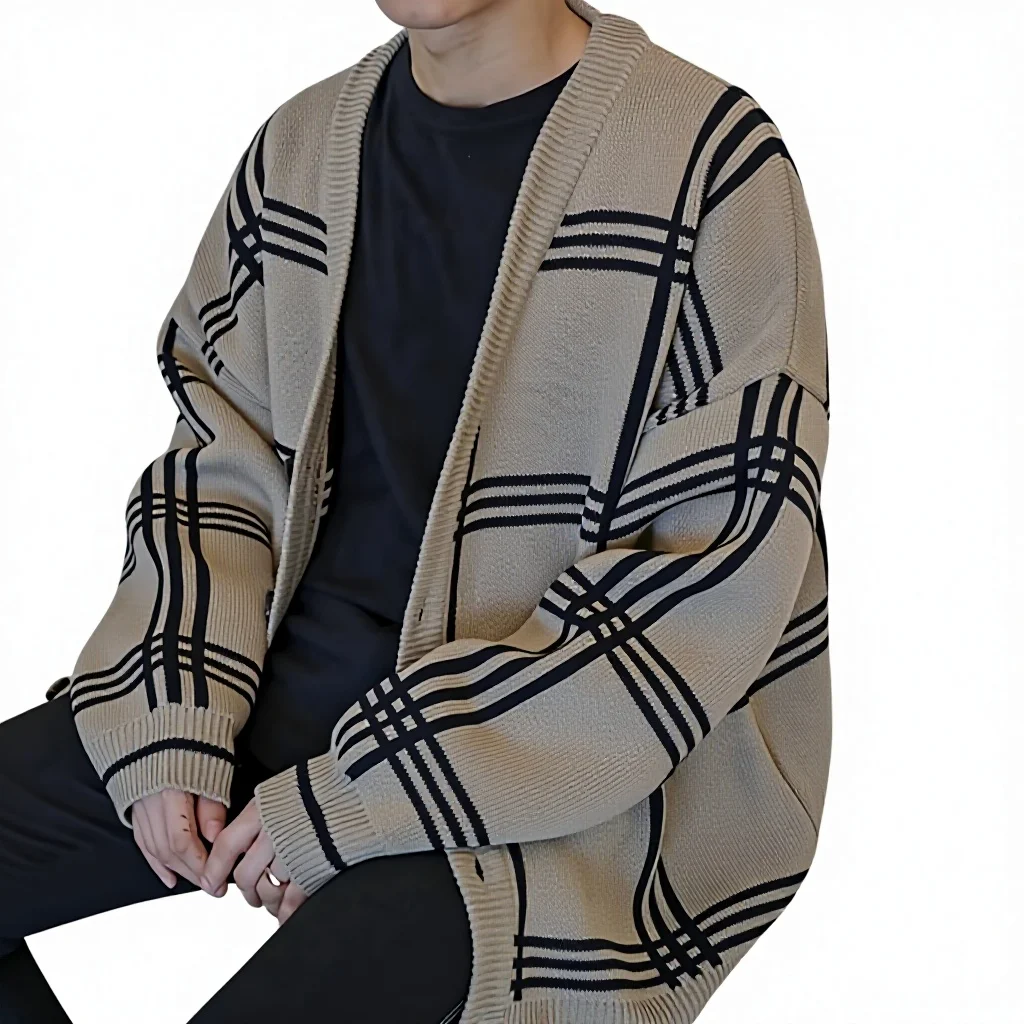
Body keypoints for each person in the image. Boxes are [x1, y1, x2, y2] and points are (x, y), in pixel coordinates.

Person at [0, 0, 832, 1021]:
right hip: (278, 690)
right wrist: (172, 716)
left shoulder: (707, 162)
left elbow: (706, 578)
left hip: (557, 765)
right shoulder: (301, 148)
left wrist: (358, 797)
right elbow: (219, 465)